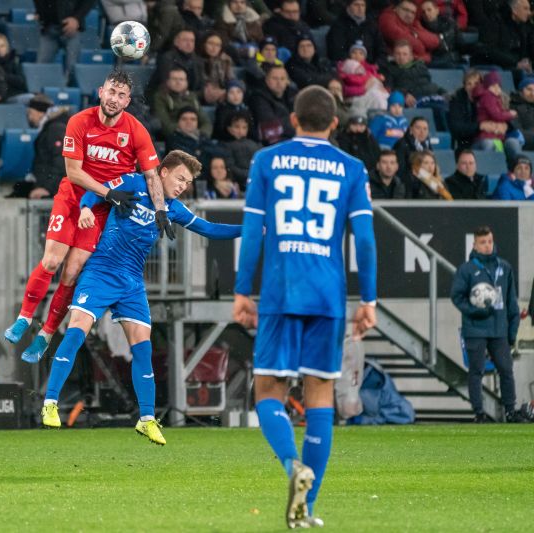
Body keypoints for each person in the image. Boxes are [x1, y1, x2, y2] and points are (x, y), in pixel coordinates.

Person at [233, 85, 377, 529]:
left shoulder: (266, 161)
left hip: (281, 289)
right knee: (320, 395)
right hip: (328, 294)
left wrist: (243, 291)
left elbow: (253, 231)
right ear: (335, 123)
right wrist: (368, 298)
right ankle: (306, 508)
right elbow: (366, 240)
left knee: (268, 392)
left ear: (293, 120)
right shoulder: (352, 167)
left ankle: (292, 465)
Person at [39, 150, 242, 443]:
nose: (183, 185)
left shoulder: (173, 208)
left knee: (143, 349)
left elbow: (209, 229)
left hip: (132, 283)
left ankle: (146, 418)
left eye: (187, 182)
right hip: (101, 273)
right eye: (180, 178)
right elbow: (97, 192)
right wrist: (85, 209)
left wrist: (252, 228)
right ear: (163, 172)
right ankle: (50, 403)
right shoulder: (133, 183)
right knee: (76, 332)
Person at [2, 70, 172, 364]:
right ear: (100, 92)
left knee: (71, 271)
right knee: (52, 260)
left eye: (121, 95)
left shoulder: (136, 131)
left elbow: (152, 176)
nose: (114, 99)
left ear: (127, 100)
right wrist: (107, 193)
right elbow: (74, 172)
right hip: (73, 196)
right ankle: (24, 318)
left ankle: (45, 335)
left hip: (103, 209)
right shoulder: (79, 121)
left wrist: (160, 209)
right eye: (111, 92)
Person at [450, 226, 524, 423]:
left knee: (506, 370)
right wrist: (477, 311)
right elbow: (456, 297)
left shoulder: (504, 267)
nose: (487, 245)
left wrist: (512, 331)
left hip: (499, 330)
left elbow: (511, 302)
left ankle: (510, 411)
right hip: (475, 329)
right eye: (482, 242)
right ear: (474, 244)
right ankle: (479, 413)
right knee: (477, 371)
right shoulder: (466, 270)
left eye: (490, 241)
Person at [33, 0, 97, 78]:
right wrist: (41, 13)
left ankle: (69, 89)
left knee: (72, 70)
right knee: (40, 70)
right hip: (49, 28)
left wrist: (76, 18)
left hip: (73, 29)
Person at [472, 0, 534, 76]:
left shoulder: (525, 28)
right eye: (525, 8)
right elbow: (488, 50)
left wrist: (527, 61)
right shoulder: (494, 23)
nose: (529, 13)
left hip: (516, 66)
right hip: (498, 66)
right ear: (514, 11)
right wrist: (516, 63)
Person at [27, 94, 71, 199]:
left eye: (30, 113)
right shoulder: (52, 127)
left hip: (53, 192)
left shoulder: (55, 129)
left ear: (40, 112)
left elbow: (62, 161)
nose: (29, 117)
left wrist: (48, 188)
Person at [472, 70, 521, 160]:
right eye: (493, 86)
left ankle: (512, 169)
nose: (496, 88)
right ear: (487, 87)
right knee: (490, 144)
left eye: (498, 86)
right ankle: (487, 169)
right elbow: (496, 115)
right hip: (487, 135)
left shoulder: (496, 98)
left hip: (497, 136)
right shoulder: (487, 97)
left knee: (512, 143)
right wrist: (510, 114)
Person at [153, 67, 212, 138]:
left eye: (181, 79)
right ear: (168, 82)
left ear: (186, 82)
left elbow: (206, 122)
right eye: (174, 79)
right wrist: (186, 132)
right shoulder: (161, 97)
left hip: (196, 137)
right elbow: (164, 124)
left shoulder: (192, 97)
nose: (178, 82)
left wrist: (201, 134)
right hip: (174, 137)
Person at [148, 29, 207, 97]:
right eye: (185, 40)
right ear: (176, 42)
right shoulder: (167, 58)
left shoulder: (198, 61)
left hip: (189, 97)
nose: (189, 43)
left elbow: (201, 85)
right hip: (166, 96)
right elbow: (166, 82)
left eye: (192, 41)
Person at [337, 40, 388, 117]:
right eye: (354, 52)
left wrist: (378, 78)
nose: (357, 55)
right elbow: (347, 89)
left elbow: (371, 76)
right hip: (355, 97)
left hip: (370, 93)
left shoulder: (368, 68)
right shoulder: (347, 67)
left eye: (361, 53)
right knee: (376, 97)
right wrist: (363, 89)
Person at [248, 64, 296, 145]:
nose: (279, 82)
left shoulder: (292, 94)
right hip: (271, 143)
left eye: (282, 79)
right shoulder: (258, 97)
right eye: (275, 78)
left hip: (292, 139)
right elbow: (271, 127)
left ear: (287, 81)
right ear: (267, 80)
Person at [216, 0, 264, 64]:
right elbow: (224, 43)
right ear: (229, 4)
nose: (239, 5)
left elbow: (261, 41)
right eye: (235, 2)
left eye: (242, 2)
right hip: (234, 55)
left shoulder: (254, 22)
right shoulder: (222, 22)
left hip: (255, 53)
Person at [221, 111, 261, 189]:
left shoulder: (256, 145)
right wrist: (251, 174)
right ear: (229, 128)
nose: (241, 131)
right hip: (239, 185)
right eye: (237, 127)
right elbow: (231, 168)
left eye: (244, 127)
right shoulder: (225, 146)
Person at [448, 69, 485, 152]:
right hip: (467, 144)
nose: (472, 87)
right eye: (469, 84)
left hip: (488, 137)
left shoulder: (487, 99)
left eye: (476, 83)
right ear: (464, 87)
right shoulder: (457, 101)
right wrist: (479, 126)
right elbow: (457, 128)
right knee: (488, 143)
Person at [0, 33, 29, 102]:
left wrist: (4, 76)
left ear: (7, 47)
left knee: (41, 100)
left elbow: (22, 82)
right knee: (32, 100)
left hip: (18, 93)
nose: (0, 49)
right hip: (4, 97)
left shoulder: (13, 60)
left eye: (2, 46)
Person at [419, 0, 461, 68]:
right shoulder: (420, 27)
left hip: (451, 59)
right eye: (423, 12)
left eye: (429, 10)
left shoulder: (450, 23)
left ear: (437, 10)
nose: (426, 13)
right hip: (432, 61)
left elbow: (460, 44)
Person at [198, 31, 235, 105]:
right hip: (203, 95)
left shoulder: (225, 60)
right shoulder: (196, 61)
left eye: (218, 45)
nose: (214, 48)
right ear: (203, 44)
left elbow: (231, 80)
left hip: (222, 93)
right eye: (211, 43)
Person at [393, 116, 431, 185]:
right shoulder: (402, 145)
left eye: (425, 129)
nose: (422, 132)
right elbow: (400, 171)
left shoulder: (427, 144)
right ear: (411, 129)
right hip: (408, 183)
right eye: (418, 128)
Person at [510, 77, 534, 151]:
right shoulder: (512, 106)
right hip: (524, 143)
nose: (532, 93)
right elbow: (517, 130)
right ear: (520, 91)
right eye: (529, 89)